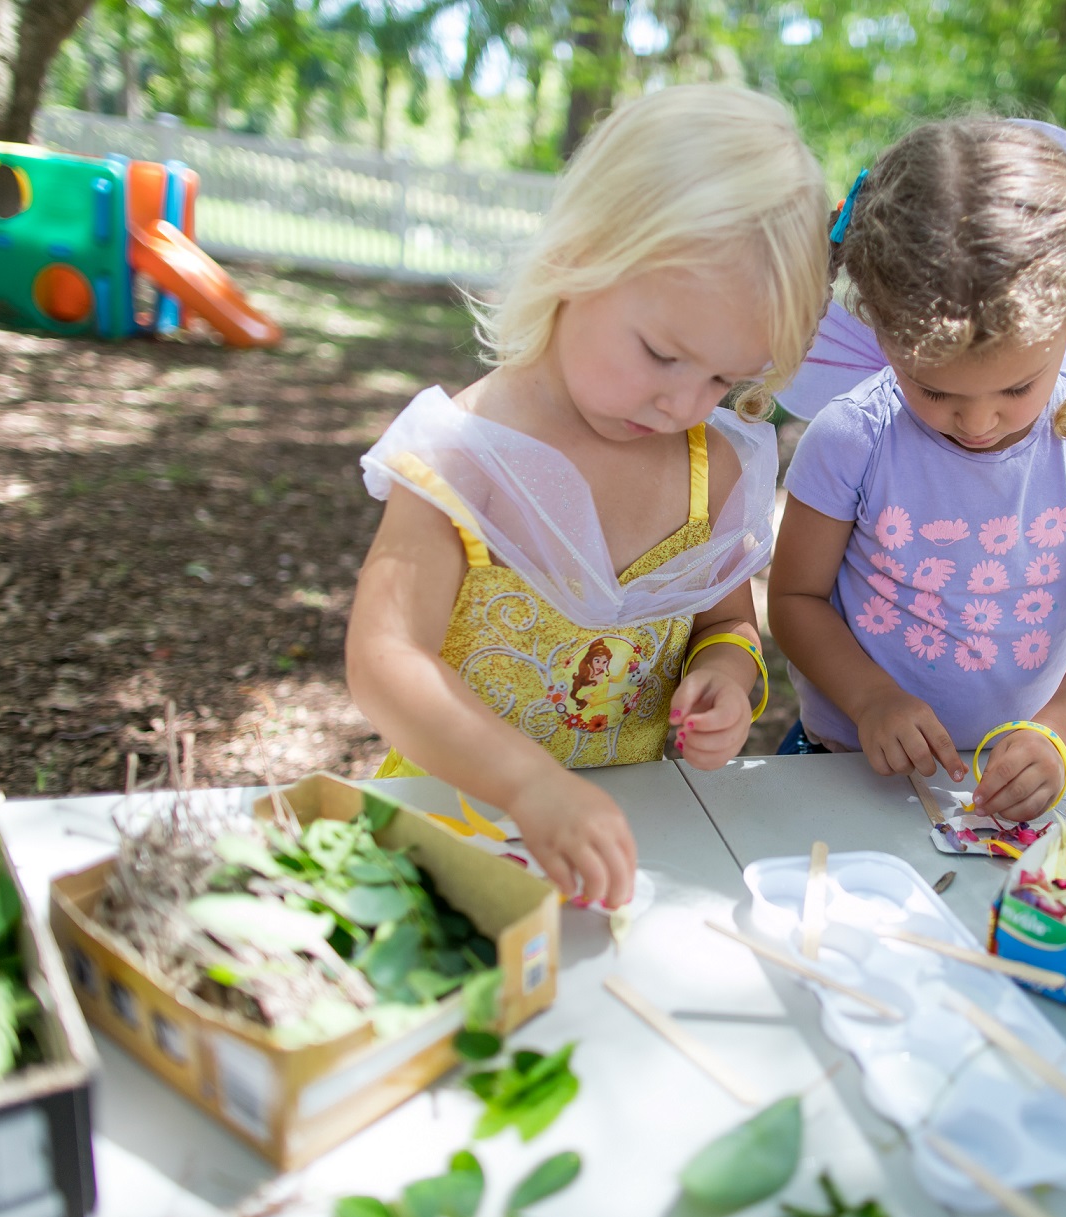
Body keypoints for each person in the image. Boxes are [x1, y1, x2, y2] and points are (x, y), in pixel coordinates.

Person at [347, 86, 828, 908]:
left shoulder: (710, 465)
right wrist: (532, 787)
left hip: (627, 846)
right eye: (661, 354)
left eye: (723, 377)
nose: (683, 403)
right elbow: (385, 661)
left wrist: (727, 674)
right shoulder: (460, 457)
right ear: (577, 255)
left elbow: (725, 620)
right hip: (446, 841)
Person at [769, 117, 1066, 825]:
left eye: (1015, 389)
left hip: (1014, 785)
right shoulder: (851, 437)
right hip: (842, 766)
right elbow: (795, 598)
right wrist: (871, 699)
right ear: (881, 330)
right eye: (933, 390)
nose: (976, 424)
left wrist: (1059, 732)